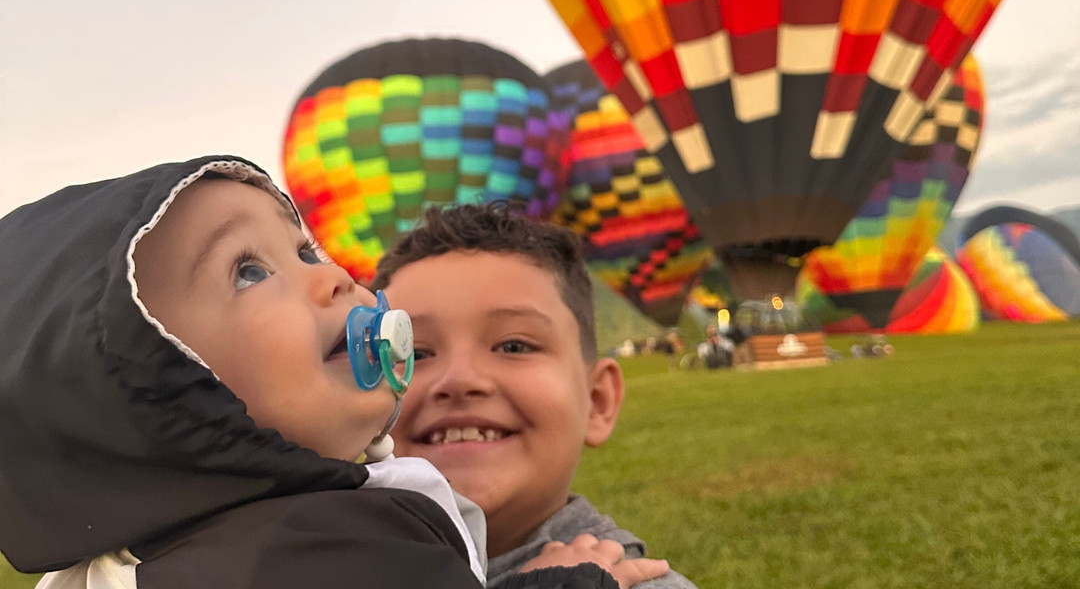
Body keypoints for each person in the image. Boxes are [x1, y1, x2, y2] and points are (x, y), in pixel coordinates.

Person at [0, 155, 668, 589]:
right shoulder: (302, 550)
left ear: (601, 396)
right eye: (251, 270)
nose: (329, 275)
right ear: (142, 390)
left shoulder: (146, 553)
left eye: (304, 249)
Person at [371, 202, 698, 588]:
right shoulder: (332, 556)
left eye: (513, 346)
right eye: (416, 354)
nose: (458, 379)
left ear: (597, 401)